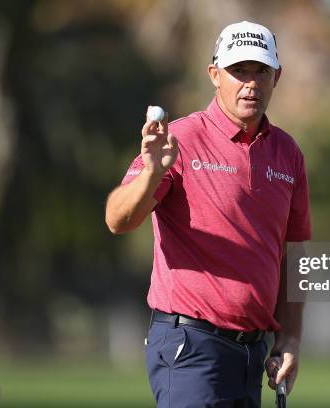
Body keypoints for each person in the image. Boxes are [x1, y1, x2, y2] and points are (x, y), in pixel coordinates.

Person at [105, 20, 311, 407]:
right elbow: (118, 220)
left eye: (260, 71)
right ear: (215, 75)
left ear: (276, 77)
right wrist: (151, 172)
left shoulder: (288, 154)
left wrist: (291, 337)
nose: (250, 83)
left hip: (252, 353)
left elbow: (294, 255)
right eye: (238, 71)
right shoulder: (180, 139)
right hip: (190, 346)